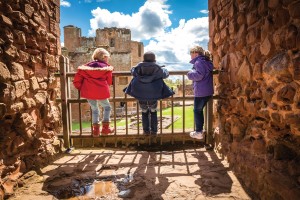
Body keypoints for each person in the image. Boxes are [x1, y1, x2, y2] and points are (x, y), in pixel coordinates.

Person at [124, 51, 174, 135]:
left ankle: (146, 131)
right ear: (154, 60)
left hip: (141, 93)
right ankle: (154, 131)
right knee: (153, 111)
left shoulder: (138, 67)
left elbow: (132, 71)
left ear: (144, 60)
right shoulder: (158, 68)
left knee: (144, 111)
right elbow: (165, 74)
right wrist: (163, 68)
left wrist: (135, 66)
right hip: (154, 92)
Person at [73, 48, 114, 137]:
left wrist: (82, 88)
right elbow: (109, 81)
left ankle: (96, 131)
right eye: (107, 57)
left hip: (88, 91)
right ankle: (105, 129)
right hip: (101, 91)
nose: (108, 59)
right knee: (107, 107)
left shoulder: (85, 68)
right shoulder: (106, 68)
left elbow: (77, 80)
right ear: (104, 57)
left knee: (94, 109)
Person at [187, 46, 214, 140]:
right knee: (198, 110)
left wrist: (189, 74)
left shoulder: (198, 62)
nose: (190, 55)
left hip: (201, 92)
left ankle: (199, 132)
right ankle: (199, 131)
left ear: (195, 53)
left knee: (197, 111)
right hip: (207, 91)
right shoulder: (206, 61)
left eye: (191, 53)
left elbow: (199, 75)